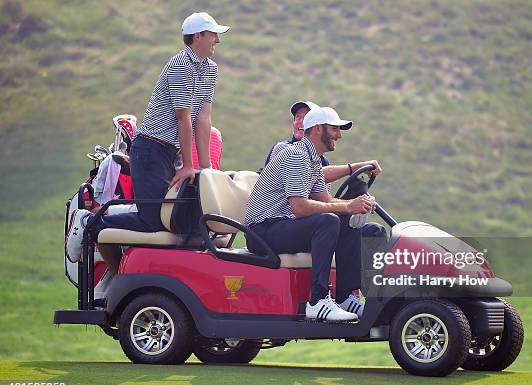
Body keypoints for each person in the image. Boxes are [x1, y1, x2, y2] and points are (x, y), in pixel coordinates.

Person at [65, 12, 230, 277]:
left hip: (169, 152)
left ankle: (129, 271)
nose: (218, 40)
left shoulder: (210, 68)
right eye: (213, 34)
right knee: (153, 219)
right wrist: (189, 165)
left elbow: (203, 118)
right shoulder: (180, 65)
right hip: (150, 149)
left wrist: (206, 170)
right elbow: (183, 118)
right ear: (197, 36)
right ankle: (90, 222)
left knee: (176, 219)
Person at [245, 107, 387, 322]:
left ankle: (346, 296)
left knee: (361, 226)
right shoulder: (295, 155)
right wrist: (348, 206)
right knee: (329, 221)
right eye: (335, 129)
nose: (339, 135)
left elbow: (326, 201)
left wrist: (355, 204)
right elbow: (300, 208)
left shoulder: (313, 160)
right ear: (318, 130)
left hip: (282, 226)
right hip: (263, 231)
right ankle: (318, 301)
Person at [265, 100, 383, 184]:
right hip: (278, 217)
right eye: (297, 117)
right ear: (318, 128)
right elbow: (313, 176)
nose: (300, 122)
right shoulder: (284, 150)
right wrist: (354, 167)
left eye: (306, 118)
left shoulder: (322, 161)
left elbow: (322, 198)